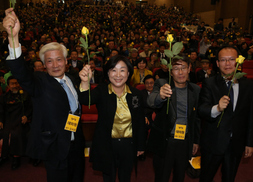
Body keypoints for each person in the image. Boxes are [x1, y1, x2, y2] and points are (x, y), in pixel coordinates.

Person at [3, 8, 85, 182]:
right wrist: (13, 37)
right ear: (44, 64)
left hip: (76, 145)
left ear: (66, 61)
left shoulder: (72, 79)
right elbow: (21, 72)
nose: (55, 65)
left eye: (59, 59)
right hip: (54, 146)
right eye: (49, 61)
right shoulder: (39, 82)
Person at [79, 55, 146, 182]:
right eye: (113, 70)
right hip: (107, 144)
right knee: (108, 178)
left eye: (122, 70)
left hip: (128, 144)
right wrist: (84, 82)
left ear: (128, 72)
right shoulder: (102, 91)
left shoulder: (135, 94)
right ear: (108, 73)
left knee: (125, 177)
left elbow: (139, 121)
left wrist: (140, 145)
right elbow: (85, 100)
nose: (118, 75)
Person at [198, 45, 253, 182]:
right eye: (223, 60)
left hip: (235, 143)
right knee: (206, 177)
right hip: (213, 142)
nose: (228, 63)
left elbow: (251, 117)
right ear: (217, 63)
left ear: (238, 62)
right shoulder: (209, 83)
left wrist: (249, 143)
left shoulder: (249, 86)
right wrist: (217, 108)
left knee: (229, 178)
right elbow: (202, 110)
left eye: (231, 59)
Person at [147, 57, 200, 182]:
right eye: (176, 68)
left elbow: (196, 118)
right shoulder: (162, 84)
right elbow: (151, 101)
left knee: (180, 175)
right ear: (171, 71)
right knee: (161, 176)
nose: (180, 72)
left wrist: (195, 141)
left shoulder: (195, 90)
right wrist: (160, 96)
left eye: (183, 68)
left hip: (184, 141)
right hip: (166, 140)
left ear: (189, 69)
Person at [0, 76, 32, 169]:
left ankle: (16, 157)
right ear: (8, 85)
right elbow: (1, 110)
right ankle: (3, 155)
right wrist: (0, 121)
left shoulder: (25, 95)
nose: (15, 86)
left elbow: (30, 108)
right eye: (12, 84)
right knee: (3, 133)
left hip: (20, 120)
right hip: (8, 120)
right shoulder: (4, 97)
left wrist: (26, 116)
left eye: (16, 83)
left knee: (16, 134)